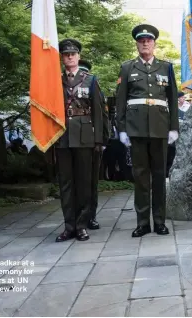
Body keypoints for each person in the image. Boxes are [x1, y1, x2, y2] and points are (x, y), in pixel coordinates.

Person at [116, 24, 179, 237]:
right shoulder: (127, 68)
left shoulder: (166, 67)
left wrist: (173, 127)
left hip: (160, 129)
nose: (145, 43)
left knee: (160, 176)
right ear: (137, 44)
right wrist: (122, 129)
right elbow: (121, 100)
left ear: (154, 43)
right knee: (141, 177)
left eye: (148, 40)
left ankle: (159, 221)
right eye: (141, 40)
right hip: (137, 129)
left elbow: (172, 98)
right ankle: (143, 222)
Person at [55, 39, 109, 242]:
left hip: (85, 135)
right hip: (62, 136)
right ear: (62, 57)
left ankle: (81, 225)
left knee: (84, 183)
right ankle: (68, 226)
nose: (69, 56)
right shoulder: (55, 80)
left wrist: (98, 140)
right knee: (66, 184)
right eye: (66, 54)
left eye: (73, 53)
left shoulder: (90, 80)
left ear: (78, 56)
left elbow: (97, 111)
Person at [78, 59, 107, 230]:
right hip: (75, 139)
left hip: (93, 141)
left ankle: (91, 216)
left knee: (91, 182)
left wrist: (103, 140)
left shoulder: (96, 90)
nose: (83, 76)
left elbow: (103, 116)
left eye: (85, 73)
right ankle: (78, 216)